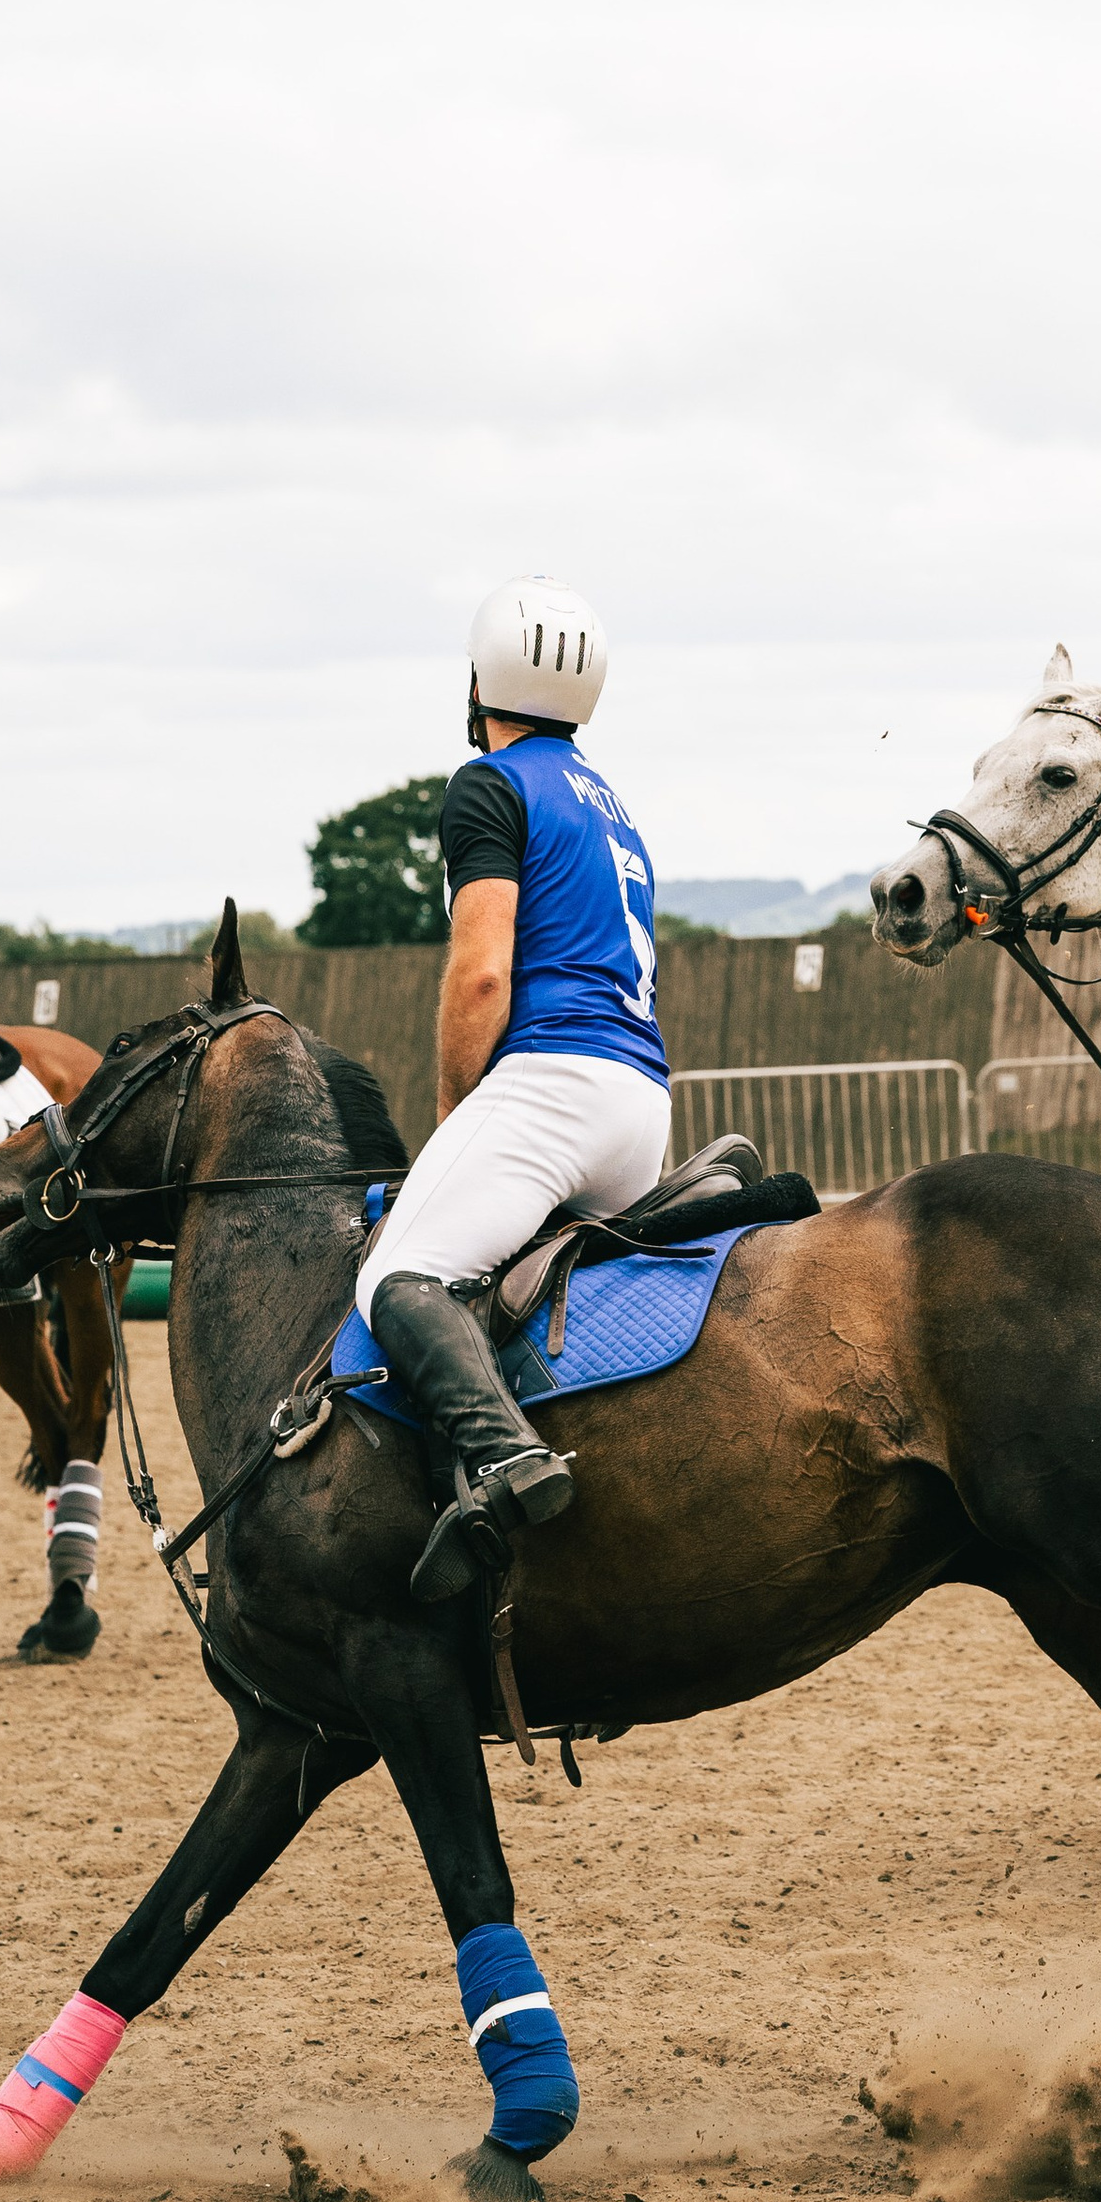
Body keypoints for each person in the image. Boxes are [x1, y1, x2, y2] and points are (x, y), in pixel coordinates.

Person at [357, 576, 674, 1601]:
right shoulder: (614, 808)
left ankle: (506, 1458)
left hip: (553, 1086)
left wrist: (456, 1113)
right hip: (643, 1105)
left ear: (483, 682)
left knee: (399, 1278)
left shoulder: (488, 784)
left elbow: (483, 970)